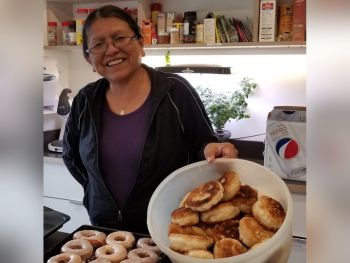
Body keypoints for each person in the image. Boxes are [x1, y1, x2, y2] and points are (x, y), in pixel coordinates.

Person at [62, 5, 238, 234]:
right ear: (88, 58)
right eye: (98, 44)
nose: (112, 49)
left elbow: (202, 145)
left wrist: (213, 149)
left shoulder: (175, 91)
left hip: (170, 226)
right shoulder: (85, 100)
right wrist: (95, 191)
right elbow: (71, 155)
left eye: (120, 38)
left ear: (141, 44)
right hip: (104, 229)